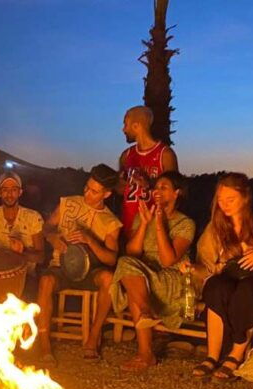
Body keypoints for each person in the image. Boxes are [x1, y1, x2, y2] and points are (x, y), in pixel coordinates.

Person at [192, 173, 253, 380]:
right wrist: (196, 268)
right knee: (215, 287)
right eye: (220, 200)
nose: (224, 205)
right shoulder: (217, 227)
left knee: (247, 291)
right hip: (231, 275)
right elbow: (207, 264)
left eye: (230, 200)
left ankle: (236, 354)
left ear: (245, 197)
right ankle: (212, 355)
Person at [108, 171, 195, 371]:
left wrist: (158, 224)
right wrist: (145, 223)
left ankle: (145, 353)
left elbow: (167, 260)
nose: (156, 191)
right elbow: (133, 251)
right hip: (142, 272)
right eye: (156, 187)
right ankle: (145, 314)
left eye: (164, 187)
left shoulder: (185, 223)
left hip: (170, 277)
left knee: (132, 278)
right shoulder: (143, 215)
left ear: (176, 194)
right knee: (128, 264)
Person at [36, 164, 122, 363]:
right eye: (86, 187)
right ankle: (44, 344)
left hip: (91, 271)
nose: (87, 193)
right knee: (46, 280)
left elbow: (111, 259)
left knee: (109, 279)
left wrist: (90, 239)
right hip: (62, 267)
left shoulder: (110, 222)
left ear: (106, 194)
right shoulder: (67, 204)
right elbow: (46, 227)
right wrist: (53, 237)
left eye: (94, 191)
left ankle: (92, 340)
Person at [0, 171, 45, 297]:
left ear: (20, 192)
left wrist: (22, 253)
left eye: (14, 189)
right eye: (5, 190)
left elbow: (41, 257)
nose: (9, 194)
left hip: (25, 277)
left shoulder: (33, 218)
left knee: (27, 296)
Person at [118, 106, 178, 236]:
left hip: (155, 229)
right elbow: (120, 191)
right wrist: (118, 183)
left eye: (125, 124)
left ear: (136, 125)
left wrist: (149, 184)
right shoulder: (126, 156)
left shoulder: (165, 154)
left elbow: (176, 192)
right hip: (128, 227)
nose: (123, 129)